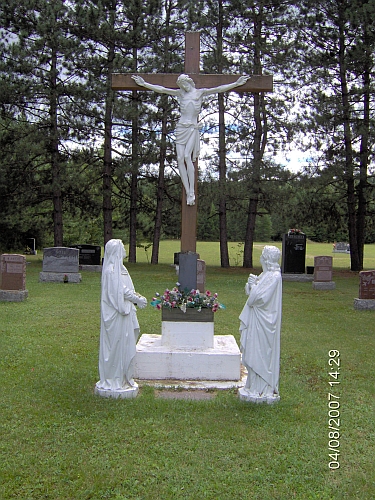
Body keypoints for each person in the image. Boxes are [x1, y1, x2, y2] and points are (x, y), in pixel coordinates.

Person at [132, 73, 249, 206]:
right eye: (181, 85)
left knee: (188, 156)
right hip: (181, 128)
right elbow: (162, 89)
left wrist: (236, 84)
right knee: (180, 159)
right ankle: (188, 191)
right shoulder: (180, 94)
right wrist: (144, 84)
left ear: (190, 82)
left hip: (193, 128)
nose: (184, 87)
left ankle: (191, 192)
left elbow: (219, 88)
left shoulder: (200, 93)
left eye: (185, 84)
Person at [95, 239, 147, 398]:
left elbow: (125, 289)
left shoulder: (119, 268)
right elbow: (120, 291)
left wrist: (135, 298)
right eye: (122, 248)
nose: (125, 250)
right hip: (116, 315)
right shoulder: (111, 270)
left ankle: (123, 377)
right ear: (117, 251)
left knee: (123, 345)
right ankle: (114, 379)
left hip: (123, 313)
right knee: (115, 346)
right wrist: (137, 299)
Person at [238, 245, 282, 403]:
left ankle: (263, 388)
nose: (260, 258)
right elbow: (255, 295)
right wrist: (252, 284)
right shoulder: (266, 275)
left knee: (261, 353)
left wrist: (254, 285)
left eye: (262, 256)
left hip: (265, 322)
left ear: (267, 258)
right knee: (253, 350)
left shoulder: (274, 276)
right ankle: (252, 385)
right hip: (257, 319)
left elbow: (261, 298)